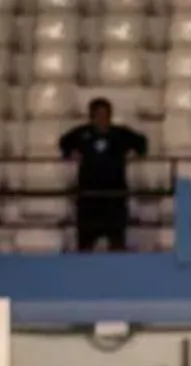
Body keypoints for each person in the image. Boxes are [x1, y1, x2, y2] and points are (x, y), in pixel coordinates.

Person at [58, 98, 148, 252]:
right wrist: (70, 153)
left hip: (114, 195)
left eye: (105, 114)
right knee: (85, 243)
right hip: (89, 196)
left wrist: (136, 155)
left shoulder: (120, 134)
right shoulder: (82, 133)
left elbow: (142, 143)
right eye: (98, 115)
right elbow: (64, 142)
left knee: (116, 241)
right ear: (91, 116)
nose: (102, 118)